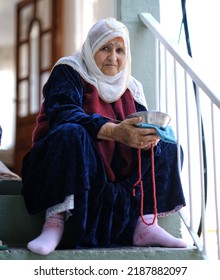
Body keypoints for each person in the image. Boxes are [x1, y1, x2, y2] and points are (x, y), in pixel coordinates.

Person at [21, 17, 187, 256]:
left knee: (166, 144)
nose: (113, 57)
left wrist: (149, 135)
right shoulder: (70, 70)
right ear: (91, 48)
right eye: (105, 48)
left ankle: (145, 224)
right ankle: (55, 222)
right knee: (71, 132)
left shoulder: (132, 87)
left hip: (110, 170)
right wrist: (116, 132)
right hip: (60, 161)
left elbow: (138, 132)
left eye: (120, 50)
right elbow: (63, 114)